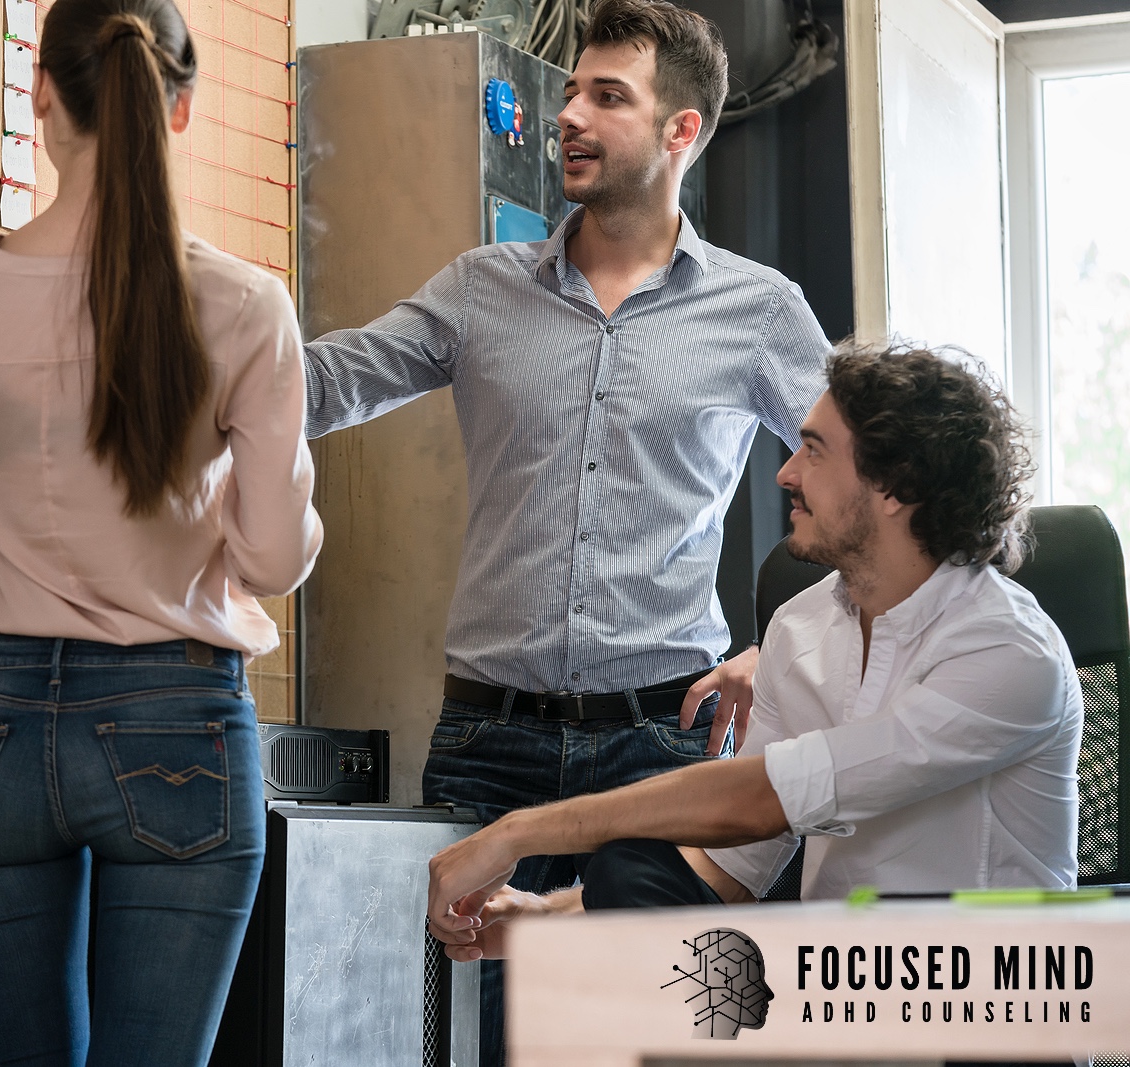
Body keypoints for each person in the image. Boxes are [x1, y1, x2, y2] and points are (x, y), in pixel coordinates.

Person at [302, 2, 831, 1058]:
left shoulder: (760, 312)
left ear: (681, 130)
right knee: (474, 1041)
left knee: (636, 1041)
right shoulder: (480, 288)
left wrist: (782, 647)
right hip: (486, 745)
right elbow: (324, 384)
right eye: (573, 91)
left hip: (659, 747)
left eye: (607, 96)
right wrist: (189, 327)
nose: (570, 115)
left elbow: (871, 487)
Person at [0, 1, 323, 1062]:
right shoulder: (245, 306)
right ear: (179, 108)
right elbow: (275, 560)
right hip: (179, 720)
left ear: (39, 94)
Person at [426, 344, 1083, 966]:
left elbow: (764, 799)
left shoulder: (1007, 650)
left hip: (989, 1006)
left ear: (895, 485)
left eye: (814, 452)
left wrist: (516, 831)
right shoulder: (800, 628)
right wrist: (544, 916)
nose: (785, 473)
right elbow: (734, 865)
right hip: (846, 1004)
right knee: (632, 870)